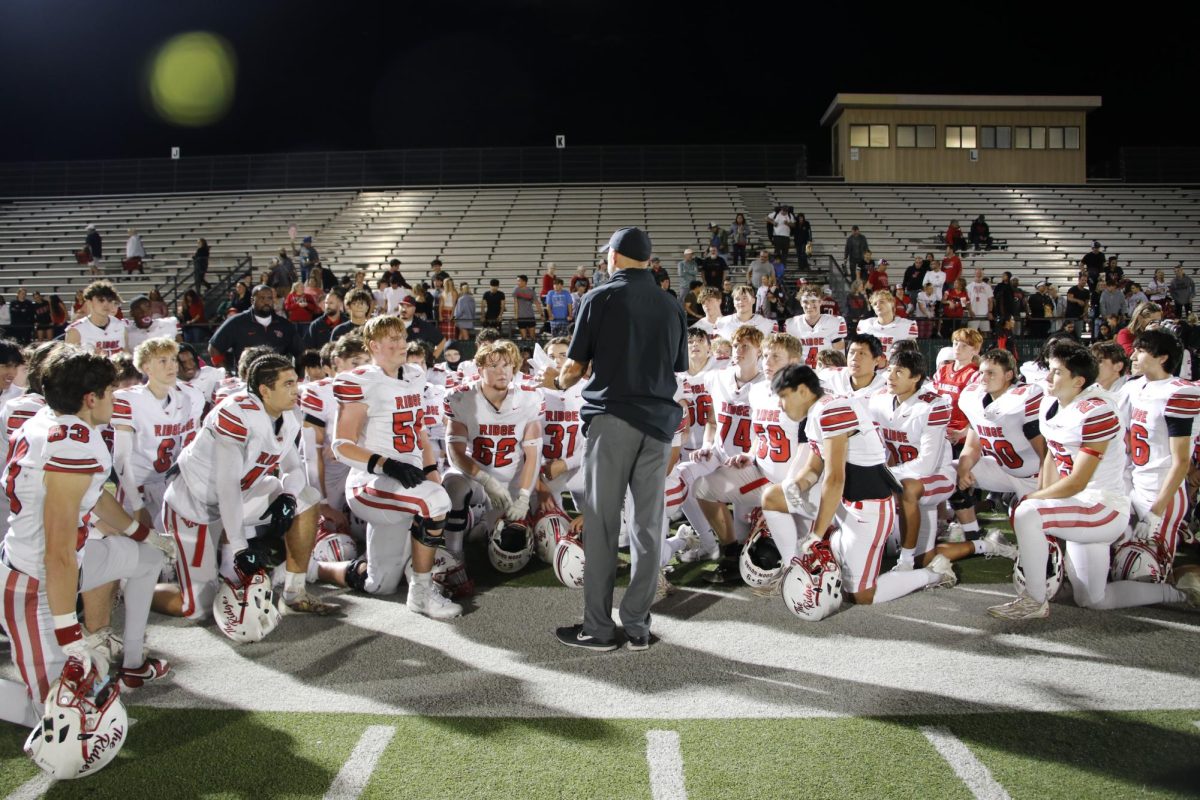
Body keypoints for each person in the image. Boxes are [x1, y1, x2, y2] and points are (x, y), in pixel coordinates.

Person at [0, 349, 174, 724]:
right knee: (59, 716)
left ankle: (132, 663)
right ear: (90, 399)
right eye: (110, 392)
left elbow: (95, 498)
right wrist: (68, 631)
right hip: (34, 584)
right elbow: (57, 551)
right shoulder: (70, 444)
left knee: (148, 559)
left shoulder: (57, 421)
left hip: (67, 566)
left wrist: (142, 533)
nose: (116, 399)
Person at [546, 227, 686, 652]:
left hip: (613, 421)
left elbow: (574, 368)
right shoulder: (671, 304)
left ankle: (599, 629)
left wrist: (554, 378)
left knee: (604, 525)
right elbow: (675, 367)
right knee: (647, 528)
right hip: (659, 426)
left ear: (615, 256)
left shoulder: (600, 297)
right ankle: (639, 627)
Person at [989, 343, 1199, 619]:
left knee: (1027, 512)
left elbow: (1078, 481)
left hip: (1102, 507)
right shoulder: (1051, 402)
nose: (1048, 379)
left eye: (1056, 373)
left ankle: (1034, 600)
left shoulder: (1097, 411)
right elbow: (1052, 454)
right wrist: (1045, 496)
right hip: (1079, 505)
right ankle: (1177, 594)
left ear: (1078, 381)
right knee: (1093, 598)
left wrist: (1037, 501)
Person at [762, 364, 955, 613]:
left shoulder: (832, 410)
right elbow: (814, 468)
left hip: (867, 509)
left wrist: (816, 535)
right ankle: (794, 571)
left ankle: (933, 573)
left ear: (801, 390)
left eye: (783, 396)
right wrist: (798, 485)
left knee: (862, 595)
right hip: (844, 503)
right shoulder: (818, 410)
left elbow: (835, 479)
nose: (780, 405)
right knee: (773, 497)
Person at [157, 353, 332, 621]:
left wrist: (287, 496)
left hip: (240, 494)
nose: (296, 389)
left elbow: (293, 468)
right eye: (287, 384)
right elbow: (225, 486)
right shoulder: (236, 413)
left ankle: (295, 593)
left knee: (306, 497)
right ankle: (137, 586)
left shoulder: (290, 413)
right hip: (193, 504)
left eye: (295, 382)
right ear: (264, 390)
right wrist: (240, 548)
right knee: (196, 609)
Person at [1119, 329, 1199, 571]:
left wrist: (1156, 511)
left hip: (1163, 492)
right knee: (1121, 567)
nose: (1133, 355)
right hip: (1135, 486)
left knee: (1148, 572)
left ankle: (1184, 590)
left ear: (1162, 357)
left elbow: (1181, 461)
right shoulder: (1134, 387)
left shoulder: (1178, 392)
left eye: (1142, 351)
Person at [950, 348, 1045, 543]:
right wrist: (964, 469)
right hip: (1002, 469)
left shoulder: (1022, 400)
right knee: (949, 472)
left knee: (1030, 529)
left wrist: (1044, 490)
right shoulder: (974, 399)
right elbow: (972, 446)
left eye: (991, 373)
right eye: (981, 372)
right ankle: (973, 536)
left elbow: (1046, 455)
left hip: (1033, 477)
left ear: (1009, 375)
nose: (983, 378)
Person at [208, 285, 303, 370]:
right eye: (262, 298)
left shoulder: (285, 325)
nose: (266, 302)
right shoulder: (236, 322)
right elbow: (214, 348)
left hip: (277, 381)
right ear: (252, 300)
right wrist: (225, 373)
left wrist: (299, 376)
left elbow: (300, 353)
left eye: (269, 298)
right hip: (246, 382)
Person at [786, 287, 847, 368]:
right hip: (801, 373)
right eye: (805, 302)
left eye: (813, 301)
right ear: (800, 303)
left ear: (820, 302)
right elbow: (788, 355)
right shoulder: (791, 324)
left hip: (826, 372)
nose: (809, 305)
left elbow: (840, 355)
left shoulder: (835, 322)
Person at [65, 281, 129, 355]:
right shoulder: (76, 330)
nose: (106, 304)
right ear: (89, 302)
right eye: (101, 300)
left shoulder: (120, 325)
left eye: (110, 300)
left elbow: (127, 355)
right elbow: (68, 363)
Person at [512, 275, 540, 341]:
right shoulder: (516, 290)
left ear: (524, 282)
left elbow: (537, 303)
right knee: (523, 337)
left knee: (532, 337)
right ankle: (524, 351)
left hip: (530, 316)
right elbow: (515, 303)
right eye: (517, 281)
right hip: (521, 317)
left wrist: (541, 314)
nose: (517, 282)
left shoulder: (531, 291)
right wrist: (516, 315)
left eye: (519, 281)